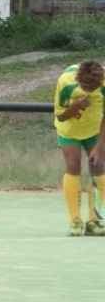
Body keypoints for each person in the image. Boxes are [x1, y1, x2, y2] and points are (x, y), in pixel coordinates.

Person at [53, 61, 105, 237]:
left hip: (94, 129)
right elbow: (60, 116)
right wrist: (76, 106)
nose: (90, 89)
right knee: (73, 164)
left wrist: (98, 147)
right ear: (78, 78)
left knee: (98, 167)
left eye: (94, 86)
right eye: (86, 85)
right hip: (69, 130)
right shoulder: (65, 81)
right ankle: (75, 220)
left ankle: (94, 220)